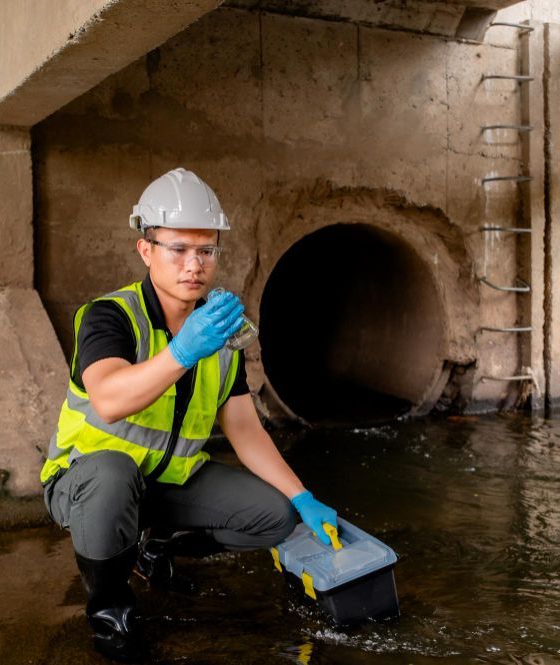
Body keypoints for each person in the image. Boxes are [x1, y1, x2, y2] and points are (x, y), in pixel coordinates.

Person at [39, 167, 338, 663]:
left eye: (207, 249)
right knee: (112, 474)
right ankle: (111, 611)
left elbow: (243, 427)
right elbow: (109, 399)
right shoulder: (111, 316)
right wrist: (184, 349)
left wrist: (303, 497)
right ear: (146, 250)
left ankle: (156, 545)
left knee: (274, 516)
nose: (193, 264)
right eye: (178, 248)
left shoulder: (223, 331)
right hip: (87, 482)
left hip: (166, 485)